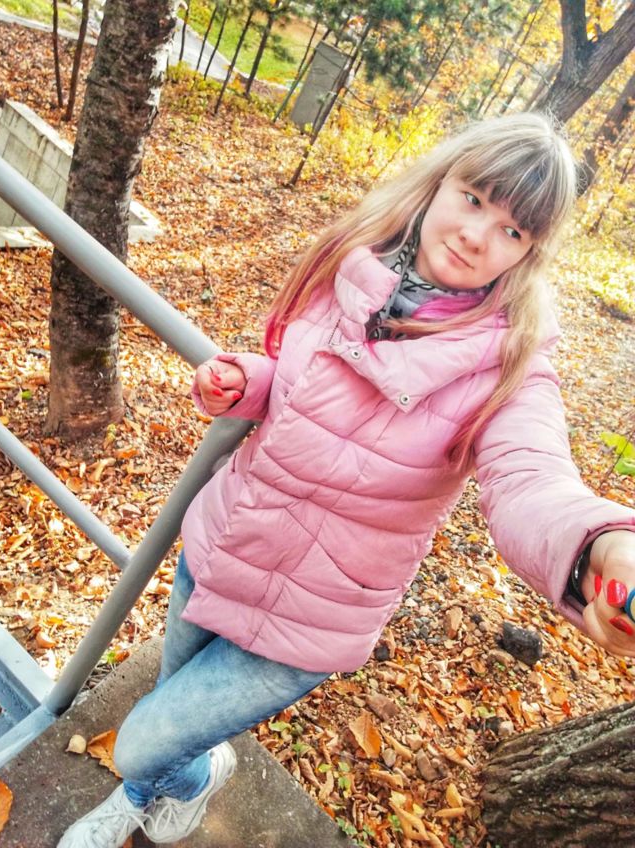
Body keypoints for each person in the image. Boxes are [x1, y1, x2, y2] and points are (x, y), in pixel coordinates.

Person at [58, 111, 635, 847]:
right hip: (224, 544)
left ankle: (179, 781)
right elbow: (300, 383)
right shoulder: (353, 265)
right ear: (441, 183)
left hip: (309, 619)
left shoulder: (510, 364)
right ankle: (157, 788)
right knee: (173, 703)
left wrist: (597, 545)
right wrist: (250, 383)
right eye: (473, 198)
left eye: (512, 230)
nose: (475, 235)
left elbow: (532, 474)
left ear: (528, 253)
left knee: (145, 740)